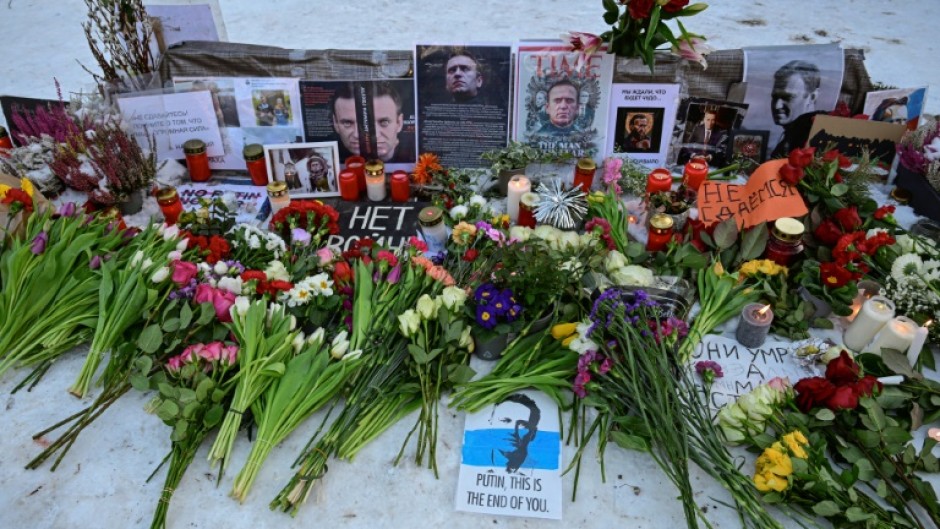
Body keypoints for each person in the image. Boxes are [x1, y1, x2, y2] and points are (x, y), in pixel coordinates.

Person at [330, 82, 415, 163]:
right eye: (347, 123)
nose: (357, 135)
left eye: (384, 122)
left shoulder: (413, 155)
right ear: (335, 123)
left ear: (399, 123)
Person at [769, 60, 823, 158]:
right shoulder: (790, 137)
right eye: (774, 97)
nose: (777, 105)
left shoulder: (818, 141)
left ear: (812, 97)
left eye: (788, 97)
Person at [487, 393, 541, 474]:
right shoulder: (475, 461)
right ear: (491, 423)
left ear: (533, 434)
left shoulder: (535, 472)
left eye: (523, 425)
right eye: (505, 421)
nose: (513, 431)